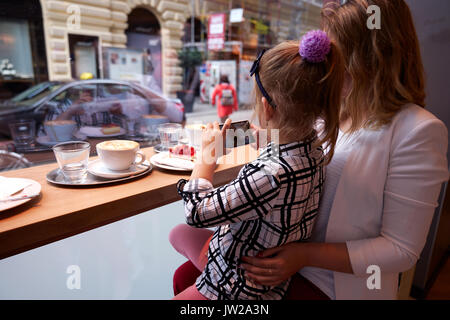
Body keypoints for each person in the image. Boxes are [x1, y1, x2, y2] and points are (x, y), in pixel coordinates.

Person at [171, 0, 449, 300]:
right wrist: (230, 143)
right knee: (184, 273)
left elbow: (401, 249)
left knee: (189, 273)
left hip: (331, 281)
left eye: (336, 54)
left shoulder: (418, 131)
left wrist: (302, 255)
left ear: (373, 58)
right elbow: (287, 149)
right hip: (276, 256)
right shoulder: (323, 111)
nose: (324, 64)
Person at [169, 30, 344, 300]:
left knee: (182, 231)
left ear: (267, 106)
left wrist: (206, 157)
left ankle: (211, 274)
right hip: (259, 255)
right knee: (177, 235)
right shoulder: (312, 145)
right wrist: (259, 137)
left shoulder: (269, 175)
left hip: (239, 287)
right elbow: (286, 147)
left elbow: (196, 212)